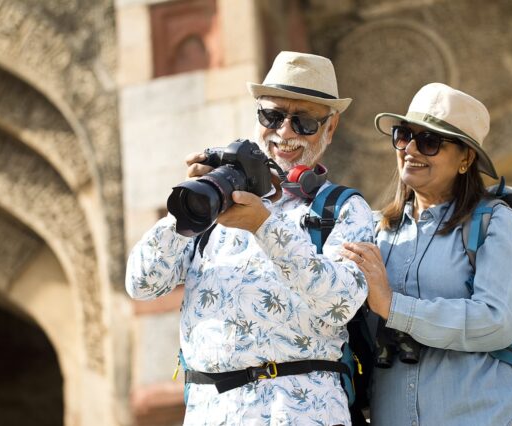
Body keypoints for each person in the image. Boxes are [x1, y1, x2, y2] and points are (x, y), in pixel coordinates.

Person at [126, 51, 374, 425]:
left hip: (298, 413)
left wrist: (264, 226)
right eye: (272, 116)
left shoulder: (342, 208)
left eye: (304, 121)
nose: (285, 132)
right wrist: (189, 208)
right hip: (212, 413)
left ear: (330, 127)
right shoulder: (216, 204)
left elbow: (341, 303)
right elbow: (142, 284)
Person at [342, 82, 512, 426]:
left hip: (487, 416)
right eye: (404, 135)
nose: (411, 149)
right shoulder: (374, 229)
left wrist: (394, 307)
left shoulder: (495, 222)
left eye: (430, 141)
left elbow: (498, 320)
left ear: (466, 158)